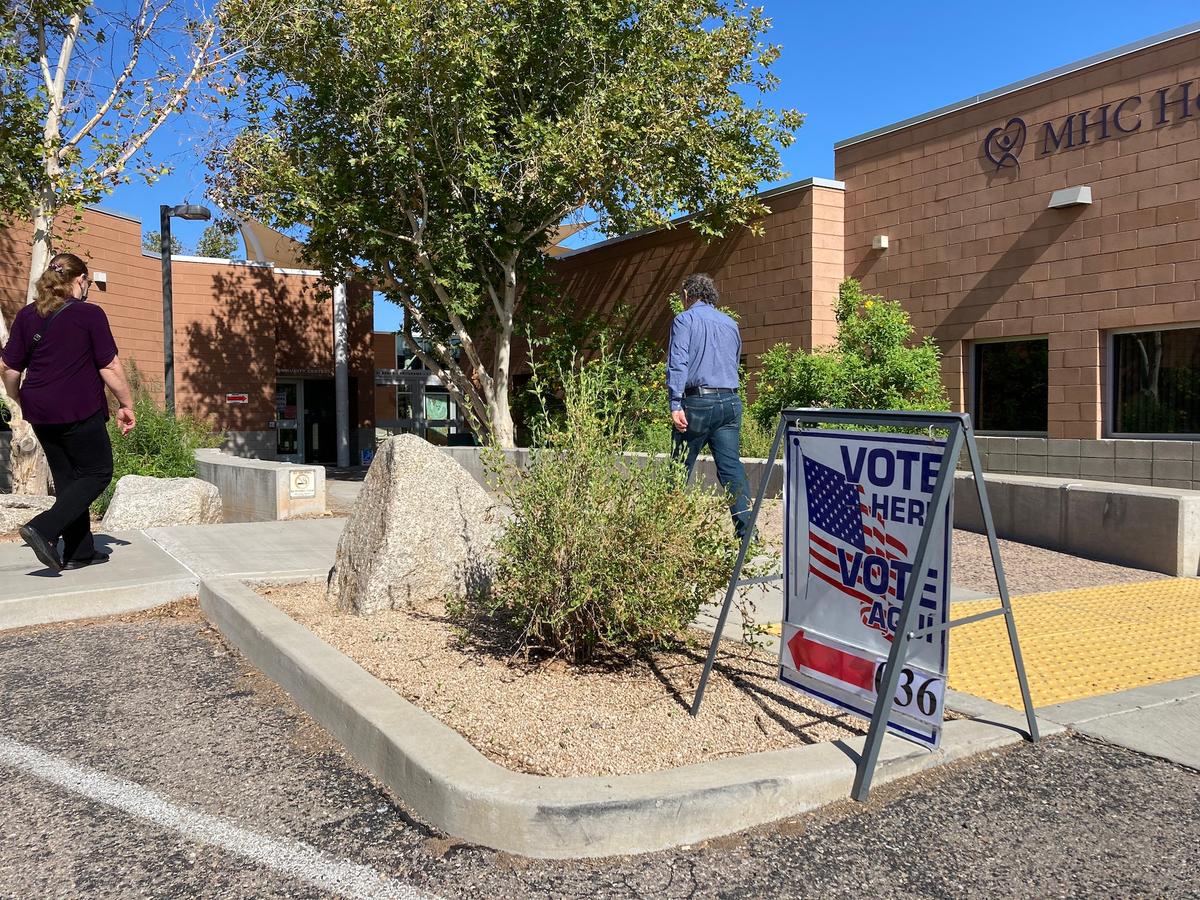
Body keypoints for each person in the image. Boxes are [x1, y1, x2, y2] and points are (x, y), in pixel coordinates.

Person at [0, 252, 136, 572]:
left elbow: (8, 366)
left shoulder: (26, 316)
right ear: (79, 281)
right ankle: (45, 528)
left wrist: (16, 396)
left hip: (40, 410)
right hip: (78, 408)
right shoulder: (90, 315)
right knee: (98, 472)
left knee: (67, 478)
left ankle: (79, 551)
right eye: (86, 282)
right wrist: (127, 404)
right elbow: (109, 365)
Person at [667, 272, 752, 541]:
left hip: (697, 402)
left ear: (688, 295)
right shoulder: (730, 324)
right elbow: (734, 361)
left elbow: (678, 362)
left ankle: (665, 531)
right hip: (730, 401)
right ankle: (747, 533)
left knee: (679, 468)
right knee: (731, 468)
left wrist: (675, 402)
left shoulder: (684, 319)